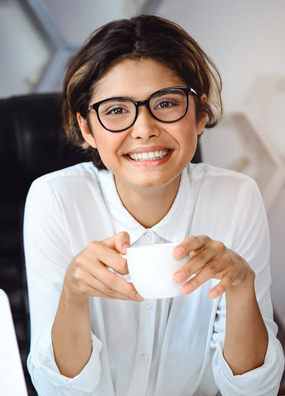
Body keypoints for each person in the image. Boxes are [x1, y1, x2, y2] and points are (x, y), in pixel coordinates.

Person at [24, 14, 284, 396]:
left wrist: (242, 286)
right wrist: (73, 296)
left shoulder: (236, 196)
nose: (144, 128)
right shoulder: (55, 200)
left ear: (199, 114)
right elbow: (54, 390)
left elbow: (254, 390)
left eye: (165, 103)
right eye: (116, 110)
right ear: (86, 128)